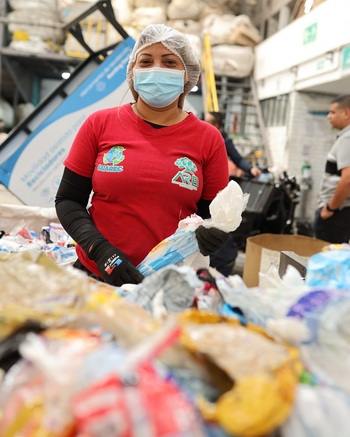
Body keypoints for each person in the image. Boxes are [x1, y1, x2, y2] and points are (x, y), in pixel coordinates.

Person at [55, 24, 231, 286]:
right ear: (133, 72)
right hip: (96, 275)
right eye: (146, 61)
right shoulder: (99, 124)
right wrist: (101, 251)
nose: (156, 69)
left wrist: (215, 232)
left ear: (187, 75)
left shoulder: (208, 139)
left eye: (170, 62)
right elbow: (69, 200)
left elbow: (214, 215)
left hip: (169, 281)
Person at [204, 111, 262, 276]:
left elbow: (237, 158)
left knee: (215, 223)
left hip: (213, 189)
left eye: (208, 121)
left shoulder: (222, 139)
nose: (203, 122)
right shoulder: (198, 133)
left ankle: (218, 262)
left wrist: (251, 169)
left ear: (217, 125)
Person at [313, 94, 350, 244]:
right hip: (340, 212)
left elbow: (347, 179)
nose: (329, 116)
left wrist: (330, 208)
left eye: (333, 112)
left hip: (337, 213)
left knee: (328, 257)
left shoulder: (348, 138)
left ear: (346, 113)